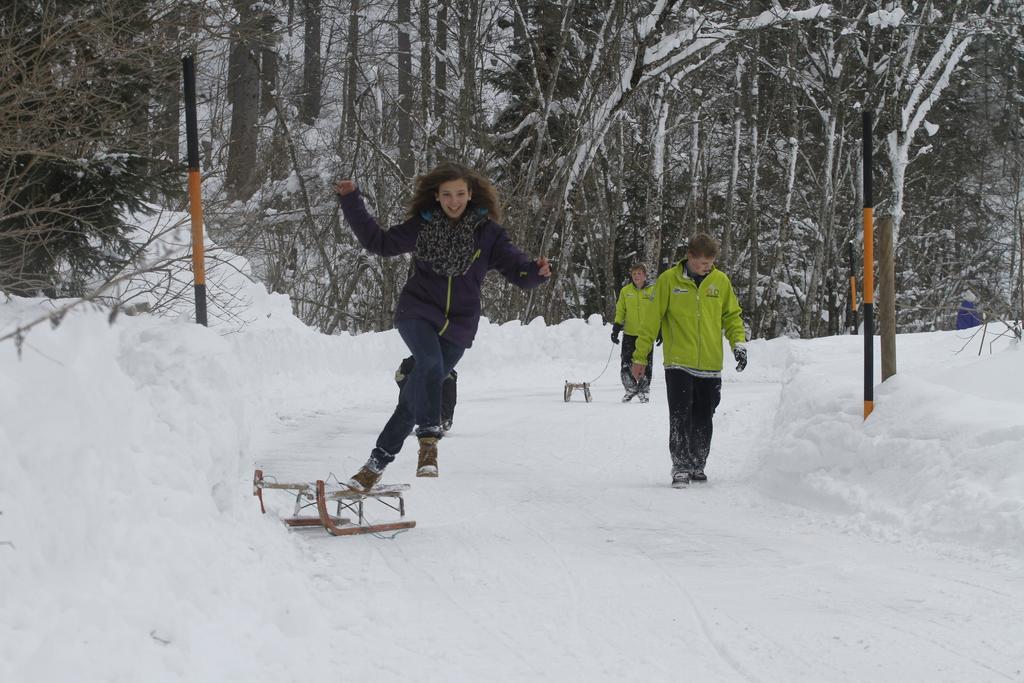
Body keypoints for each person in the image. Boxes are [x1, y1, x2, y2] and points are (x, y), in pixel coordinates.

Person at [335, 162, 551, 490]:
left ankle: (374, 465)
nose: (453, 201)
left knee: (412, 397)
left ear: (470, 194)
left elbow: (517, 269)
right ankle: (428, 443)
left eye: (460, 194)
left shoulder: (488, 234)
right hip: (417, 312)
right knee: (431, 365)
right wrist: (352, 201)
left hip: (460, 325)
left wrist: (535, 272)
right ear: (436, 196)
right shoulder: (422, 228)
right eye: (447, 195)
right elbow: (378, 242)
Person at [631, 233, 746, 488]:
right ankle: (681, 465)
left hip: (710, 364)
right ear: (690, 257)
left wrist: (738, 343)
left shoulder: (720, 281)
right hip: (678, 362)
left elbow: (732, 316)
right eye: (701, 263)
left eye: (710, 263)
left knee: (705, 415)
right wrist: (640, 357)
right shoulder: (668, 281)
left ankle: (698, 463)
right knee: (681, 414)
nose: (706, 268)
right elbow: (651, 320)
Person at [611, 263, 657, 403]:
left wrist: (659, 330)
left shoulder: (652, 291)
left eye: (639, 273)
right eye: (634, 273)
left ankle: (644, 390)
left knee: (645, 363)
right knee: (626, 363)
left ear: (644, 275)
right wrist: (617, 327)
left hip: (646, 334)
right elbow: (621, 310)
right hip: (629, 333)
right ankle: (630, 388)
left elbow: (658, 311)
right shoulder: (626, 291)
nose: (637, 276)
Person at [395, 356, 457, 433]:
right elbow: (400, 376)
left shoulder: (444, 367)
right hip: (408, 373)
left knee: (448, 380)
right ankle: (404, 417)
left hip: (437, 373)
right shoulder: (411, 364)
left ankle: (443, 417)